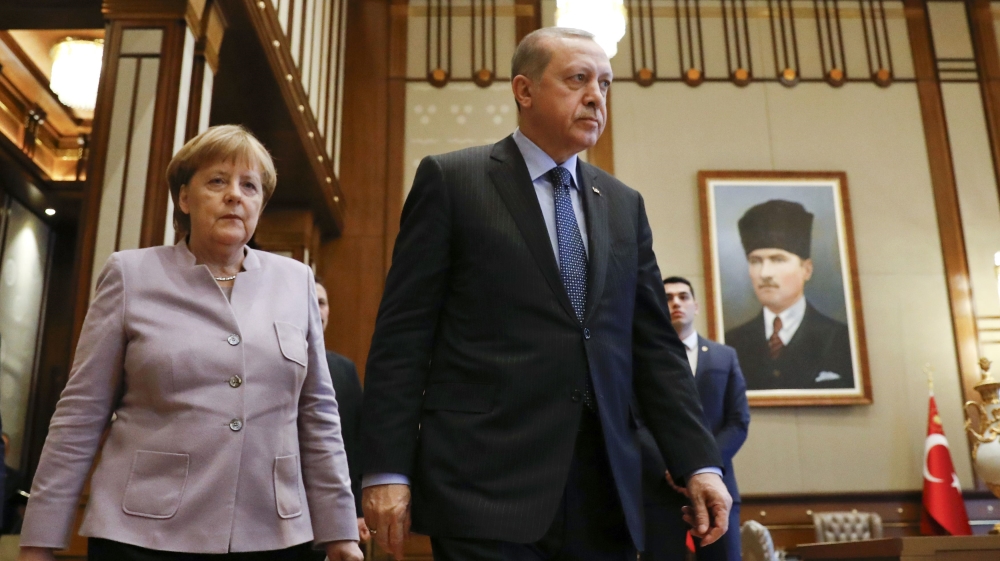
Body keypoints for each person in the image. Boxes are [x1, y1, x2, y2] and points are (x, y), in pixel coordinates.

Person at [360, 27, 730, 561]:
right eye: (578, 79)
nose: (596, 96)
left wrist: (699, 461)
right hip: (483, 483)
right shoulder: (453, 181)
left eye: (604, 83)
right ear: (524, 90)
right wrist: (387, 469)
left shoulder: (623, 204)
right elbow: (403, 338)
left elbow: (654, 347)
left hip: (605, 489)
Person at [17, 125, 363, 561]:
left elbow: (318, 414)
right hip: (143, 532)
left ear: (260, 204)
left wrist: (340, 531)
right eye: (217, 181)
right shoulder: (131, 275)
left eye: (249, 186)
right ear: (184, 198)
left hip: (272, 532)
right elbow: (81, 414)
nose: (234, 195)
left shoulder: (296, 282)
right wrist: (39, 540)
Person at [641, 278, 749, 561]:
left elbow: (738, 422)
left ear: (696, 306)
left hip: (717, 487)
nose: (676, 303)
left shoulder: (724, 357)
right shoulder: (639, 362)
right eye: (667, 298)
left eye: (683, 296)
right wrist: (672, 467)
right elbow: (636, 421)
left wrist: (700, 465)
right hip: (660, 488)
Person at [724, 200, 854, 391]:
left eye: (778, 260)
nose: (765, 273)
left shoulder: (842, 339)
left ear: (806, 270)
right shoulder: (730, 342)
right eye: (755, 261)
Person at [314, 278, 370, 545]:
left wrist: (357, 510)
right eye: (309, 301)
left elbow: (354, 445)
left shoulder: (344, 370)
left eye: (321, 302)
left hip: (333, 510)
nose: (316, 309)